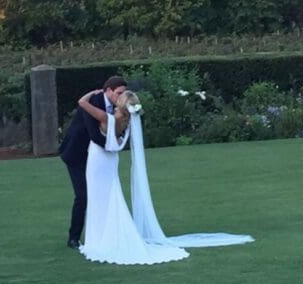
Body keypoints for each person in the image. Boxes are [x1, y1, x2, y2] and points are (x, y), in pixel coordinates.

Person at [77, 89, 254, 265]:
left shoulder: (108, 118)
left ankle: (100, 239)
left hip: (98, 162)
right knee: (109, 197)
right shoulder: (126, 121)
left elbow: (82, 103)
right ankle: (106, 236)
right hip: (110, 162)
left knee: (98, 198)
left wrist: (92, 92)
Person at [59, 75, 127, 249]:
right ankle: (73, 237)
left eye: (123, 93)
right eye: (118, 93)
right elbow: (94, 135)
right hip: (77, 153)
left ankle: (104, 232)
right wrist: (114, 147)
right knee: (83, 195)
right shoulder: (93, 102)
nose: (120, 96)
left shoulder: (118, 106)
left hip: (98, 157)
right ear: (108, 90)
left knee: (104, 193)